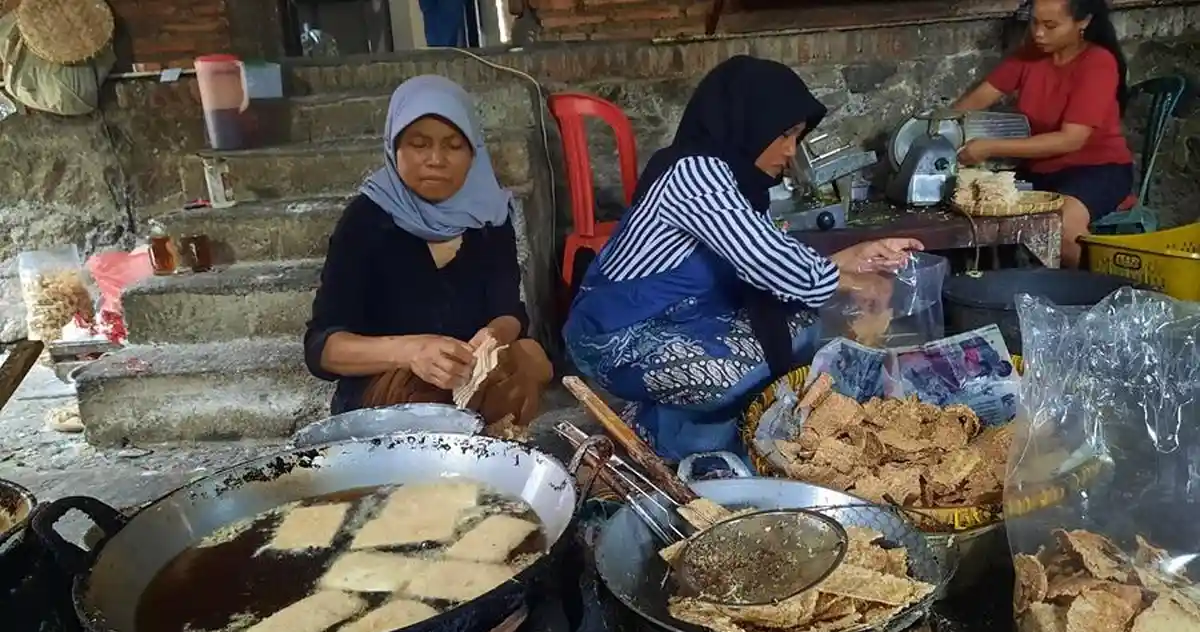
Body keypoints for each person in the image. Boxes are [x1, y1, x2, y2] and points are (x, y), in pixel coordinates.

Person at [562, 55, 923, 463]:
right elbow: (765, 262)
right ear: (749, 121)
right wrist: (855, 282)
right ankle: (675, 440)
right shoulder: (694, 173)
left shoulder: (738, 179)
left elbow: (769, 252)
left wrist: (851, 259)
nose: (790, 151)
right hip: (616, 335)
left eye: (798, 137)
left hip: (676, 317)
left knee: (799, 326)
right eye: (784, 134)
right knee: (740, 368)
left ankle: (679, 417)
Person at [304, 75, 552, 426]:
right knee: (419, 392)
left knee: (529, 357)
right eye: (419, 144)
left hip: (467, 382)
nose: (436, 159)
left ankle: (490, 453)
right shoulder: (366, 221)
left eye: (453, 145)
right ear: (394, 148)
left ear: (473, 152)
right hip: (388, 391)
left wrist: (494, 335)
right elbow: (322, 348)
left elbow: (510, 311)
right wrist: (413, 352)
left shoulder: (489, 216)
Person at [954, 0, 1133, 268]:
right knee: (977, 204)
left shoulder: (1098, 62)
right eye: (1035, 22)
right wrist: (935, 127)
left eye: (1051, 26)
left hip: (1097, 168)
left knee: (1062, 225)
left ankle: (1092, 295)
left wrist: (990, 147)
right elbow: (977, 99)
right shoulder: (1029, 56)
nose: (1039, 33)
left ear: (1082, 22)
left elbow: (1071, 139)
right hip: (1040, 170)